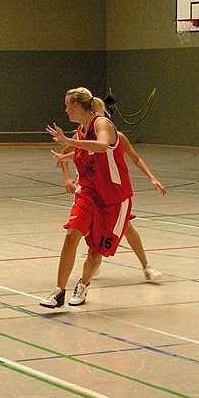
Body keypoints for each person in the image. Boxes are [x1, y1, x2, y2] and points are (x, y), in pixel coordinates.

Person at [40, 87, 134, 309]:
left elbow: (101, 146)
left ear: (76, 105)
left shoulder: (101, 123)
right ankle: (58, 292)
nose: (65, 110)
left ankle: (83, 284)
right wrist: (65, 157)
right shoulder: (81, 131)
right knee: (72, 234)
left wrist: (69, 144)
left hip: (113, 197)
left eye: (67, 105)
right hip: (89, 192)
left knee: (95, 251)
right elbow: (83, 152)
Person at [53, 131, 166, 282]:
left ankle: (146, 266)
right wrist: (67, 178)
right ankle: (88, 267)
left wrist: (152, 178)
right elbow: (65, 155)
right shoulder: (80, 136)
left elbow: (135, 158)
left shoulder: (117, 137)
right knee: (83, 232)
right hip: (88, 193)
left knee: (127, 227)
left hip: (110, 195)